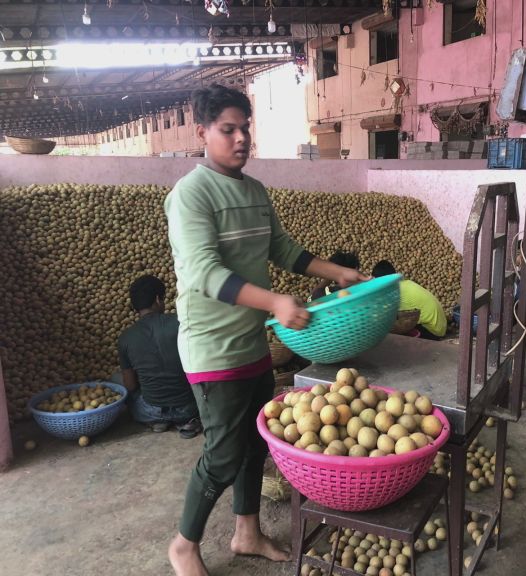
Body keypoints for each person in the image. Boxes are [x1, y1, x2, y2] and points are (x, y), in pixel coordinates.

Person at [164, 83, 368, 576]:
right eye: (226, 129)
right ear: (202, 133)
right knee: (222, 451)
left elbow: (284, 249)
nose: (239, 139)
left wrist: (336, 273)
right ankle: (184, 545)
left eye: (244, 129)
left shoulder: (253, 191)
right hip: (212, 348)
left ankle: (246, 531)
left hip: (252, 342)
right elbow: (205, 275)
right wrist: (275, 300)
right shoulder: (190, 196)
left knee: (258, 441)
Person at [118, 275, 201, 439]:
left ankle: (159, 422)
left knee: (118, 381)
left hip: (149, 411)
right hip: (189, 407)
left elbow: (130, 386)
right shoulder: (181, 323)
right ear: (158, 299)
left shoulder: (125, 337)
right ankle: (186, 421)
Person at [372, 260, 447, 339]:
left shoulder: (392, 292)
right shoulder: (406, 283)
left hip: (433, 331)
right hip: (439, 327)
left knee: (389, 330)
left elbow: (379, 317)